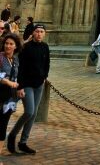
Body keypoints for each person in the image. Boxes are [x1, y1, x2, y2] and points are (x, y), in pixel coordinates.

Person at [7, 23, 50, 155]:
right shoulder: (26, 47)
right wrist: (20, 86)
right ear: (33, 33)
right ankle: (12, 135)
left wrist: (44, 76)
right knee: (29, 112)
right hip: (27, 84)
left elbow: (47, 63)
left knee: (33, 114)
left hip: (39, 84)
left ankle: (23, 142)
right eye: (37, 31)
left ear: (44, 34)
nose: (39, 34)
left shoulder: (45, 47)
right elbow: (20, 68)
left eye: (41, 32)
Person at [0, 32, 21, 160]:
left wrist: (20, 88)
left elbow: (17, 76)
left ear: (16, 46)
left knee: (3, 125)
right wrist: (7, 81)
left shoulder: (16, 60)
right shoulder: (0, 57)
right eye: (6, 43)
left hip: (9, 98)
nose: (8, 46)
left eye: (11, 44)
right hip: (0, 95)